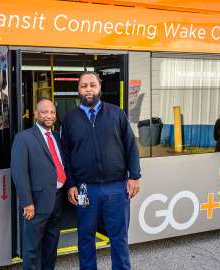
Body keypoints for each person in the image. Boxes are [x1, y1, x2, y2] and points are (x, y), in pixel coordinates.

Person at [61, 71, 141, 270]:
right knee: (85, 236)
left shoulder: (116, 113)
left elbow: (131, 146)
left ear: (99, 88)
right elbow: (65, 155)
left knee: (119, 237)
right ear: (78, 90)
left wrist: (135, 176)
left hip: (116, 187)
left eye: (92, 85)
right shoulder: (70, 119)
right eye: (84, 86)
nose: (88, 89)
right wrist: (71, 183)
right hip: (85, 189)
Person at [11, 99, 66, 270]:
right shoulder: (24, 138)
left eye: (52, 112)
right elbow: (19, 173)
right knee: (32, 250)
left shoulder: (57, 137)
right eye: (44, 112)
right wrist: (27, 202)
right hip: (35, 203)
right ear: (36, 114)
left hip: (57, 199)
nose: (49, 116)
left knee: (51, 247)